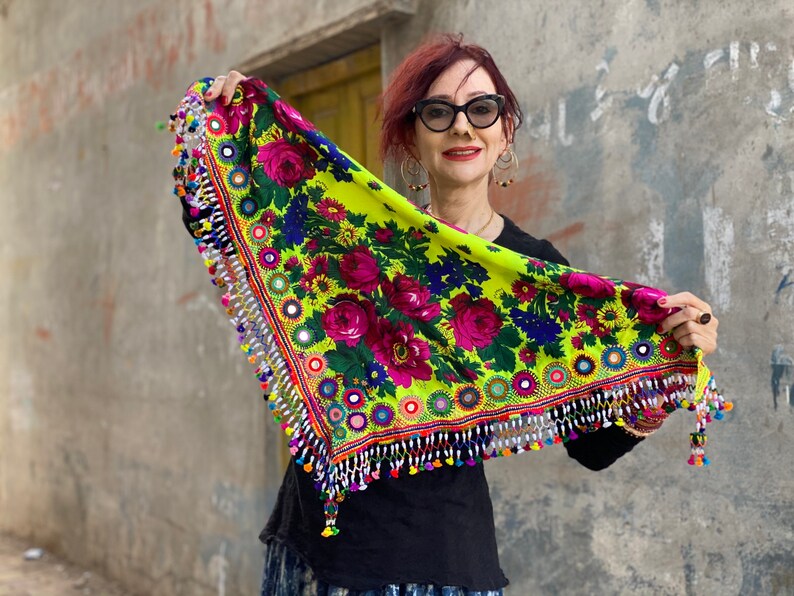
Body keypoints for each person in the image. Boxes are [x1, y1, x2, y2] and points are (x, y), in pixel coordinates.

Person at [191, 34, 719, 596]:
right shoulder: (366, 243)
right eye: (438, 112)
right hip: (313, 545)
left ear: (504, 132)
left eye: (482, 109)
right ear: (411, 136)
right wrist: (223, 124)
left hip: (437, 561)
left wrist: (671, 356)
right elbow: (236, 225)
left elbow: (590, 447)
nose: (463, 127)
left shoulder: (536, 274)